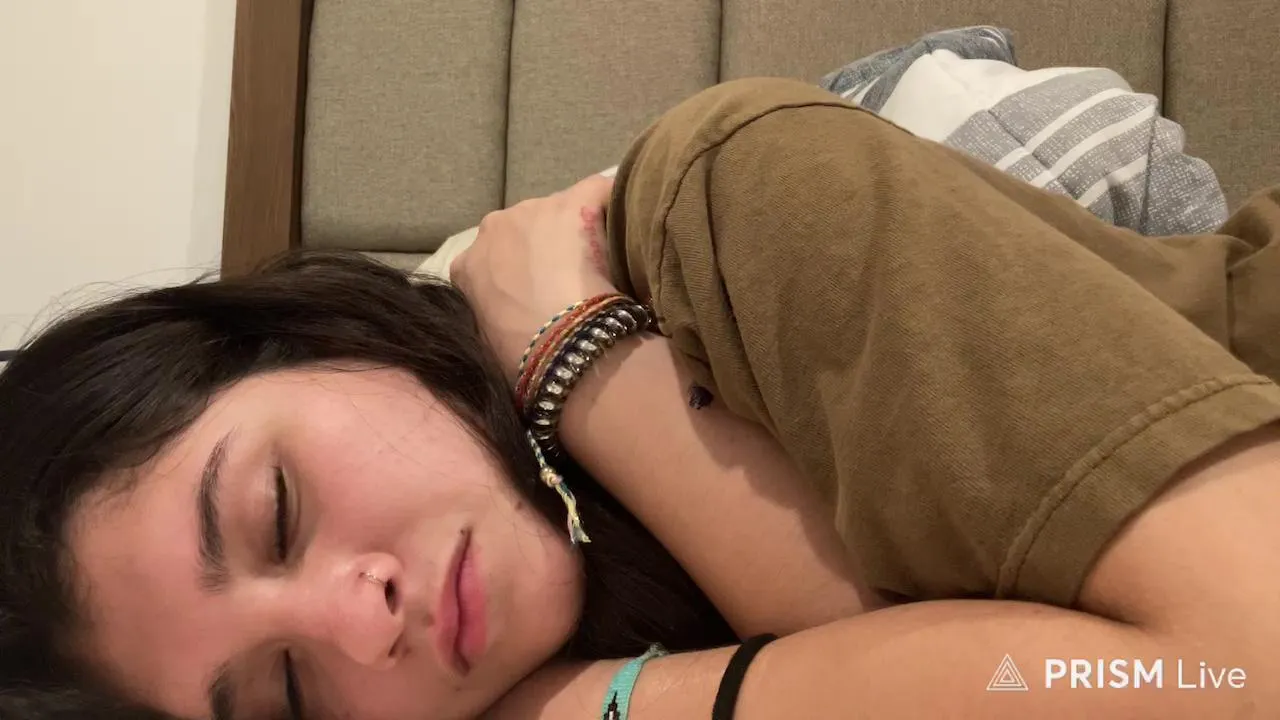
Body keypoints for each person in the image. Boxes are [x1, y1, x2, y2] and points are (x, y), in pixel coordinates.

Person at [3, 77, 1280, 720]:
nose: (356, 623)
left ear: (312, 342)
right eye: (283, 699)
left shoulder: (729, 201)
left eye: (277, 509)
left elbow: (1237, 675)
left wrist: (581, 362)